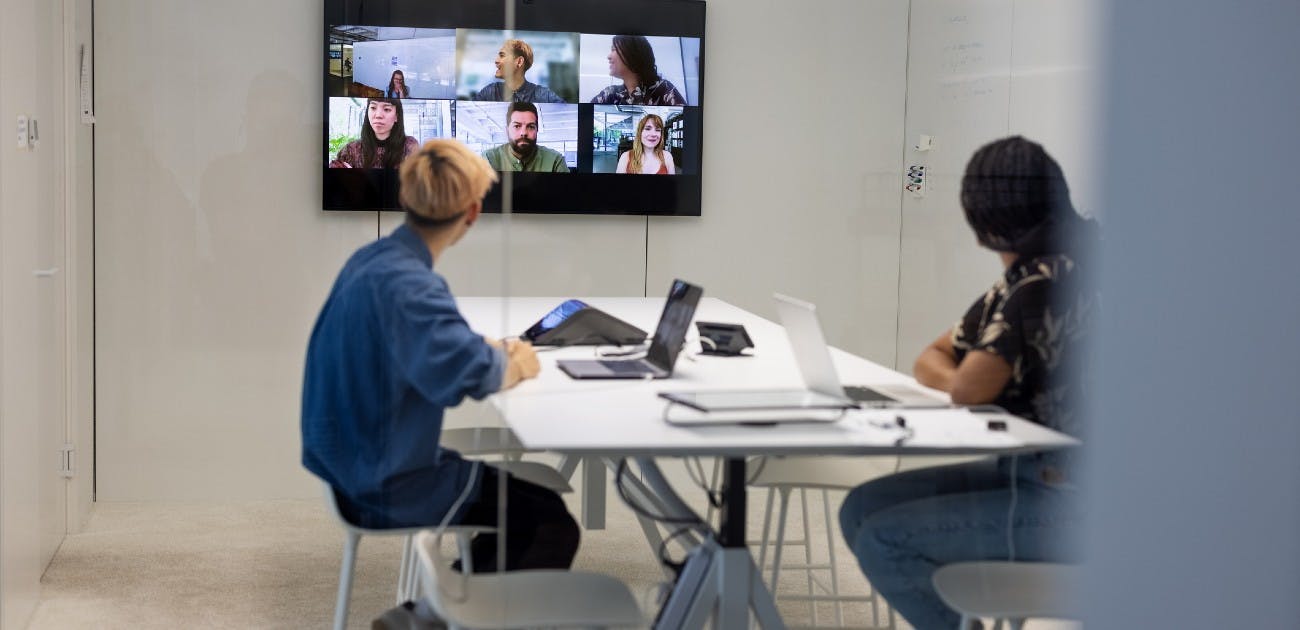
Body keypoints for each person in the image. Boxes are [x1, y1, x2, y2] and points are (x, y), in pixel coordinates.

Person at [303, 139, 581, 623]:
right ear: (472, 213)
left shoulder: (374, 260)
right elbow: (474, 377)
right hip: (386, 482)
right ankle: (435, 621)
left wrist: (489, 350)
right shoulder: (413, 287)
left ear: (406, 198)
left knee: (527, 508)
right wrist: (518, 362)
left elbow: (431, 350)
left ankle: (429, 614)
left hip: (351, 461)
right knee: (549, 522)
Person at [838, 136, 1098, 629]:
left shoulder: (1043, 282)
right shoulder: (1028, 276)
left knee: (882, 538)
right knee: (860, 508)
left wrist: (973, 369)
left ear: (983, 225)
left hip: (1071, 500)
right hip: (1023, 477)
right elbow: (930, 358)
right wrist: (974, 366)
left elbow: (966, 390)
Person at [590, 35, 686, 106]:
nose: (608, 56)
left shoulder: (663, 89)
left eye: (614, 49)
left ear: (631, 54)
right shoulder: (610, 94)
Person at [329, 98, 419, 169]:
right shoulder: (351, 149)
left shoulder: (409, 146)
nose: (378, 115)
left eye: (387, 109)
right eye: (373, 108)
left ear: (397, 116)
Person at [482, 101, 569, 172]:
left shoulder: (555, 161)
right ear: (507, 130)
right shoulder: (489, 159)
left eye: (531, 126)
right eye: (517, 126)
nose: (523, 133)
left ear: (537, 129)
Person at [473, 38, 565, 103]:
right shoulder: (490, 92)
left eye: (502, 55)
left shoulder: (543, 95)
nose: (496, 61)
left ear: (519, 61)